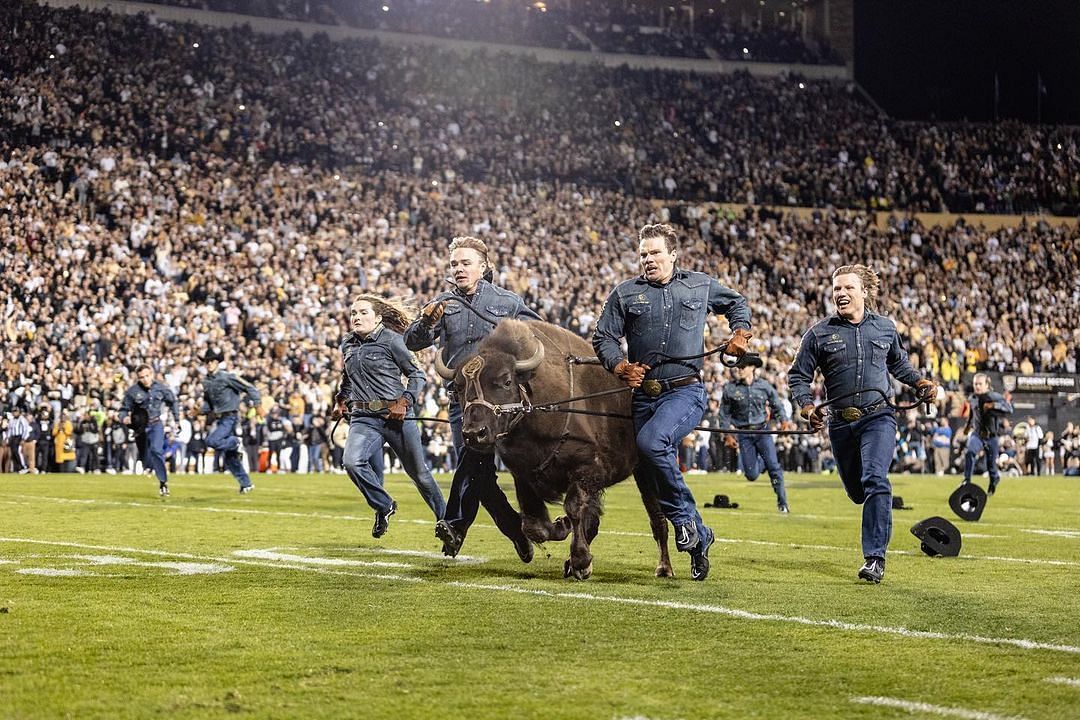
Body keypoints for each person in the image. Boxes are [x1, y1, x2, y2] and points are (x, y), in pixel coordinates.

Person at [593, 223, 753, 581]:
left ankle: (683, 521)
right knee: (649, 473)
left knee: (651, 442)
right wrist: (619, 366)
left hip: (686, 391)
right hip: (644, 397)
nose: (648, 260)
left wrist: (740, 332)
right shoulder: (625, 293)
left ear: (673, 255)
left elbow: (737, 303)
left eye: (654, 253)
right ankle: (699, 538)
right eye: (643, 255)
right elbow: (602, 337)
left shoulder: (699, 284)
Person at [788, 264, 936, 584]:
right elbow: (798, 376)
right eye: (836, 288)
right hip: (840, 424)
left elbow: (898, 364)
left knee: (875, 479)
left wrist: (920, 383)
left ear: (864, 292)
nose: (840, 293)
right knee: (858, 491)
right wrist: (806, 406)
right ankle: (873, 532)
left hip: (878, 416)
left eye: (847, 288)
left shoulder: (885, 327)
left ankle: (874, 558)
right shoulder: (819, 333)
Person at [404, 235, 539, 561]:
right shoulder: (442, 304)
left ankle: (453, 524)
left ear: (483, 266)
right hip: (460, 401)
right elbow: (412, 340)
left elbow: (538, 330)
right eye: (454, 264)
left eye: (466, 263)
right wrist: (426, 322)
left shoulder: (506, 301)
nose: (459, 269)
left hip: (497, 404)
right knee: (479, 474)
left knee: (471, 459)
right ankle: (516, 529)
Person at [333, 294, 446, 538]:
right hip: (363, 417)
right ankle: (383, 505)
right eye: (354, 313)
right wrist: (341, 399)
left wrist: (404, 402)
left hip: (396, 417)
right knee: (351, 462)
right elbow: (348, 376)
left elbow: (417, 375)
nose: (357, 317)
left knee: (420, 475)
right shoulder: (348, 343)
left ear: (378, 318)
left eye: (363, 312)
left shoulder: (394, 341)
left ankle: (448, 522)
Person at [720, 356, 791, 513]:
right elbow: (723, 414)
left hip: (762, 431)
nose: (739, 370)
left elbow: (777, 405)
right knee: (751, 475)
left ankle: (783, 503)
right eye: (738, 367)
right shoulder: (730, 389)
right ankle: (764, 462)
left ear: (752, 367)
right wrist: (727, 435)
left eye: (742, 367)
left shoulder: (765, 386)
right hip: (744, 434)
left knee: (774, 467)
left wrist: (784, 421)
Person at [201, 348, 261, 493]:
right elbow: (208, 404)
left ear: (217, 363)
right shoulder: (206, 382)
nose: (209, 363)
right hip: (220, 419)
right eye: (206, 361)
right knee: (230, 458)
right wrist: (199, 410)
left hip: (230, 417)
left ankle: (235, 442)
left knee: (211, 441)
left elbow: (249, 388)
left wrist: (258, 404)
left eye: (211, 361)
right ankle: (246, 484)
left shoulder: (227, 377)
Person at [118, 364, 180, 496]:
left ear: (152, 374)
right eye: (142, 377)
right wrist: (124, 418)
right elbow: (123, 410)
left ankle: (163, 483)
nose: (145, 379)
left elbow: (173, 401)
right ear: (138, 378)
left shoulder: (161, 388)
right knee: (145, 457)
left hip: (156, 424)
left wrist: (176, 419)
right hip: (140, 428)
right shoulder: (132, 392)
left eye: (147, 376)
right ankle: (148, 466)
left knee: (157, 451)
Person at [961, 373, 1014, 495]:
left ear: (987, 385)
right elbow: (972, 414)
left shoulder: (994, 396)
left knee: (991, 466)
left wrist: (993, 405)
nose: (977, 386)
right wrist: (967, 426)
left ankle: (994, 480)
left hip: (992, 436)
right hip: (977, 434)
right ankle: (966, 480)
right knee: (970, 452)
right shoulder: (972, 398)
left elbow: (1009, 408)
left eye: (980, 384)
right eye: (975, 384)